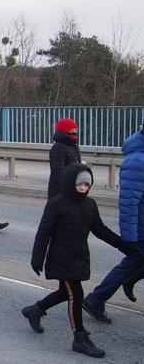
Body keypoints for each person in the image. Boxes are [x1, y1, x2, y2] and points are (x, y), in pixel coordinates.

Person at [24, 164, 129, 358]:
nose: (83, 187)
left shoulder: (90, 204)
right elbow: (43, 233)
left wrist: (122, 245)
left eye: (87, 184)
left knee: (66, 292)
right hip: (61, 256)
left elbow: (100, 229)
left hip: (79, 254)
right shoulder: (57, 204)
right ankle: (79, 338)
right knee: (76, 294)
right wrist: (37, 258)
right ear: (71, 182)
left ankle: (35, 310)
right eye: (80, 183)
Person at [82, 124, 144, 323]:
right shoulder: (136, 161)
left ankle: (96, 298)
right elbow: (128, 204)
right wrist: (130, 238)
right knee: (133, 262)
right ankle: (97, 298)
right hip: (141, 229)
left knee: (133, 264)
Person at [47, 118, 81, 198]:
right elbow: (58, 171)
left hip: (73, 186)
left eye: (76, 130)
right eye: (73, 130)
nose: (75, 132)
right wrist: (68, 185)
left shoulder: (73, 145)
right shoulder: (58, 148)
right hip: (60, 190)